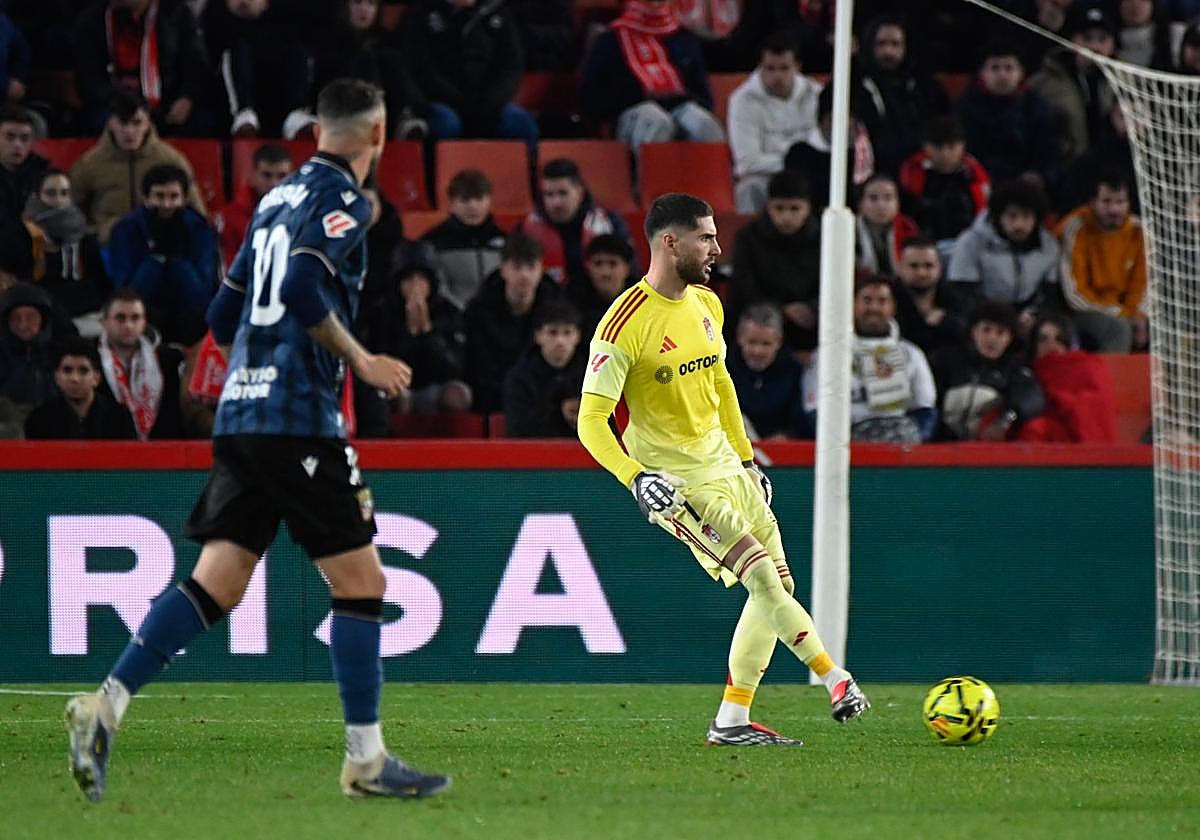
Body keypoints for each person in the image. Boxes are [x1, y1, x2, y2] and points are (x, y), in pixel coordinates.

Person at [65, 78, 450, 804]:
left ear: (316, 134)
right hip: (297, 419)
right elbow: (304, 288)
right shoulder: (343, 201)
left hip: (241, 419)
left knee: (219, 582)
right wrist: (359, 358)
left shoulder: (275, 200)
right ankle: (365, 761)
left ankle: (106, 702)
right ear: (378, 134)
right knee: (363, 585)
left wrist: (255, 361)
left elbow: (220, 311)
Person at [577, 192, 869, 746]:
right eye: (705, 238)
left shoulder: (708, 305)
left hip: (727, 465)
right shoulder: (622, 326)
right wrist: (637, 478)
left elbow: (720, 384)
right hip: (678, 484)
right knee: (761, 578)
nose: (715, 248)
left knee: (775, 586)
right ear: (671, 242)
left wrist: (744, 457)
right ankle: (835, 677)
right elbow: (591, 422)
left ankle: (732, 720)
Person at [804, 273, 938, 443]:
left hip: (900, 445)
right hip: (847, 445)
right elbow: (814, 409)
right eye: (867, 300)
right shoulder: (828, 355)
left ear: (893, 307)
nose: (874, 308)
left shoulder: (911, 354)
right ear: (853, 304)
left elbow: (925, 408)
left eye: (882, 301)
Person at [579, 0, 724, 151]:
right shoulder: (610, 40)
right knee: (656, 121)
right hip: (634, 113)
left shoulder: (683, 38)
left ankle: (714, 174)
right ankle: (652, 174)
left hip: (679, 108)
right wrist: (636, 97)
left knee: (703, 124)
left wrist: (678, 99)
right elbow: (591, 99)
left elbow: (704, 96)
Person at [70, 89, 206, 245]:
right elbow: (71, 214)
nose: (129, 131)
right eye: (123, 123)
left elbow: (196, 213)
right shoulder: (89, 163)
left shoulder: (171, 159)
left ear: (148, 122)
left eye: (137, 123)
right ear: (110, 123)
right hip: (108, 247)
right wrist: (98, 234)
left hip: (161, 246)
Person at [107, 163, 219, 345]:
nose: (167, 205)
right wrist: (155, 261)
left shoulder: (199, 229)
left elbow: (201, 292)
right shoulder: (126, 229)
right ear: (145, 198)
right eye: (159, 196)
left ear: (184, 199)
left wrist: (176, 262)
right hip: (145, 310)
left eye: (173, 197)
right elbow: (126, 291)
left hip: (188, 311)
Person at [400, 0, 537, 145]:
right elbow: (421, 68)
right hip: (440, 101)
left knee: (520, 124)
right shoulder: (420, 13)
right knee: (445, 124)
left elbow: (511, 66)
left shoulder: (500, 12)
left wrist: (489, 101)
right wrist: (459, 101)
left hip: (489, 102)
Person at [72, 0, 213, 136]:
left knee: (202, 121)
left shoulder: (177, 14)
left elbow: (196, 67)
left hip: (167, 105)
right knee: (98, 120)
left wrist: (186, 98)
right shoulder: (93, 20)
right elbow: (88, 79)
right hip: (115, 105)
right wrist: (121, 103)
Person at [463, 232, 561, 414]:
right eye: (517, 267)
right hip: (491, 396)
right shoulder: (478, 310)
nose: (524, 275)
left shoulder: (559, 310)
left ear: (541, 270)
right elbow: (476, 363)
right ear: (503, 270)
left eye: (531, 267)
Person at [358, 261, 472, 418]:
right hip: (399, 387)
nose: (416, 287)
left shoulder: (449, 312)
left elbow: (454, 367)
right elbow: (380, 362)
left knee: (457, 395)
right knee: (390, 395)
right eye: (409, 280)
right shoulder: (380, 314)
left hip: (437, 387)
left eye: (422, 280)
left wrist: (427, 332)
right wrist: (410, 334)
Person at [946, 180, 1061, 334]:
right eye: (1012, 216)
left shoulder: (1049, 246)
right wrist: (1003, 320)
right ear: (998, 216)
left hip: (1026, 318)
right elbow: (962, 294)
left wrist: (1035, 315)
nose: (1019, 224)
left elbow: (1050, 295)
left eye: (1026, 216)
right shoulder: (971, 241)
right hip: (982, 317)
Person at [726, 32, 822, 214]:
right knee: (747, 188)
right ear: (760, 67)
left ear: (797, 67)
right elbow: (746, 163)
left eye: (784, 68)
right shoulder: (742, 100)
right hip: (766, 179)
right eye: (770, 68)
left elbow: (822, 149)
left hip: (808, 177)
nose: (777, 76)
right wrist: (796, 161)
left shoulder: (816, 95)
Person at [1054, 170, 1148, 352]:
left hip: (1127, 310)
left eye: (1120, 202)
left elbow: (1144, 284)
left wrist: (1139, 314)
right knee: (1118, 329)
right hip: (1085, 311)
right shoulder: (1076, 229)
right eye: (1106, 202)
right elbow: (1074, 294)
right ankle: (1114, 381)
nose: (1114, 209)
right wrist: (1121, 314)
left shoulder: (1139, 231)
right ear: (1092, 203)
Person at [729, 169, 821, 351]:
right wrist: (780, 310)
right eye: (779, 208)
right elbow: (742, 289)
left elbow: (835, 285)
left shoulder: (824, 238)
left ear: (807, 208)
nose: (786, 217)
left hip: (813, 325)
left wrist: (812, 308)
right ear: (769, 207)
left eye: (795, 209)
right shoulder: (748, 238)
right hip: (759, 327)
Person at [931, 299, 1045, 441]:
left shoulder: (1015, 369)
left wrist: (1005, 421)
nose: (992, 338)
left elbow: (1030, 398)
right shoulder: (945, 360)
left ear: (1009, 339)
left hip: (991, 450)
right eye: (986, 330)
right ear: (973, 331)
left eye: (1000, 332)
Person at [202, 0, 317, 139]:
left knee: (298, 51)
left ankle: (297, 115)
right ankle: (243, 115)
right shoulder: (216, 18)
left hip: (279, 91)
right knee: (239, 50)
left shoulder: (287, 19)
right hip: (229, 100)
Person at [852, 15, 950, 177]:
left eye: (895, 44)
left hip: (922, 172)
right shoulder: (854, 85)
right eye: (881, 44)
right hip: (873, 174)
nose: (888, 51)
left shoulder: (926, 87)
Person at [956, 40, 1060, 193]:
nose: (1002, 75)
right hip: (981, 185)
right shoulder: (965, 109)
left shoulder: (1038, 108)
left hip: (1028, 190)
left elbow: (1050, 154)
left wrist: (1041, 175)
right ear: (983, 73)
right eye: (995, 68)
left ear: (1021, 73)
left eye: (1009, 68)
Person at [515, 158, 633, 288]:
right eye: (549, 195)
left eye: (563, 193)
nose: (556, 202)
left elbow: (630, 271)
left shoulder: (609, 223)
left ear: (579, 193)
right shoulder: (525, 229)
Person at [96, 287, 191, 439]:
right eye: (120, 318)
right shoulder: (91, 359)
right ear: (105, 322)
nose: (128, 325)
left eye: (135, 318)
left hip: (162, 451)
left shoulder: (169, 360)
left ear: (144, 322)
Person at [1028, 8, 1118, 169]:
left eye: (1102, 39)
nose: (1094, 46)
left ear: (1112, 44)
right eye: (1087, 38)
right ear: (1073, 41)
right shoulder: (1045, 81)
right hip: (1064, 169)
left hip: (1111, 170)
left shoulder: (1126, 84)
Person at [23, 169, 111, 330]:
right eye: (51, 193)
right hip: (40, 313)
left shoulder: (85, 236)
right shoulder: (23, 235)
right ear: (36, 196)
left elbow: (99, 283)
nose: (59, 200)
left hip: (84, 309)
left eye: (64, 193)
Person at [1017, 312, 1117, 443]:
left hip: (1079, 437)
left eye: (1059, 339)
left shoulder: (1088, 365)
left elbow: (1098, 406)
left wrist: (1063, 399)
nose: (1051, 345)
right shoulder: (1027, 372)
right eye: (1043, 339)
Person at [898, 115, 991, 247]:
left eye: (951, 147)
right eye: (938, 147)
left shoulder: (975, 175)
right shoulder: (911, 174)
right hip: (924, 247)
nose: (945, 154)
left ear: (962, 146)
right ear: (926, 146)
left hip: (968, 245)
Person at [421, 168, 507, 310]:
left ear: (489, 200)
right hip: (452, 319)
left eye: (479, 199)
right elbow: (439, 288)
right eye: (465, 200)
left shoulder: (506, 240)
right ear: (452, 203)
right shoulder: (433, 241)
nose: (472, 206)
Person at [24, 336, 138, 439]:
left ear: (96, 378)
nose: (75, 378)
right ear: (57, 377)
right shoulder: (40, 419)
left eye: (83, 371)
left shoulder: (119, 418)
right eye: (67, 370)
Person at [503, 300, 586, 437]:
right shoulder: (520, 377)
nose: (560, 341)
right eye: (552, 333)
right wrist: (558, 414)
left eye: (567, 333)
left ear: (577, 336)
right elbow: (518, 429)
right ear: (538, 336)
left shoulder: (593, 373)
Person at [726, 303, 806, 440]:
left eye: (766, 344)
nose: (758, 351)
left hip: (782, 452)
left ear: (778, 342)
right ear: (740, 339)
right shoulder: (723, 368)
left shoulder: (793, 371)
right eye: (752, 342)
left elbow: (799, 420)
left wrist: (785, 436)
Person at [218, 144, 293, 271]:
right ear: (252, 176)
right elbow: (230, 272)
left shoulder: (304, 214)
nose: (274, 184)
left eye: (282, 176)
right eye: (267, 175)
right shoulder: (230, 218)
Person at [892, 236, 966, 357]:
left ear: (939, 268)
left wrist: (946, 322)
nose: (922, 272)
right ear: (900, 268)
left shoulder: (956, 298)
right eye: (914, 266)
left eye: (928, 266)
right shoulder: (887, 299)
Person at [0, 106, 46, 282]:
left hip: (38, 269)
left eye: (24, 138)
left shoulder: (46, 176)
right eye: (10, 137)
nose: (17, 144)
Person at [570, 234, 637, 335]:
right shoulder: (573, 298)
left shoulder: (643, 297)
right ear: (588, 268)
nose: (605, 272)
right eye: (598, 263)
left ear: (626, 268)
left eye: (613, 263)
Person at [854, 172, 919, 277]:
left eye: (888, 198)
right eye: (873, 198)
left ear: (897, 203)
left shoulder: (908, 229)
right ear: (860, 204)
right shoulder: (849, 230)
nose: (881, 205)